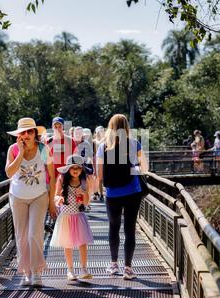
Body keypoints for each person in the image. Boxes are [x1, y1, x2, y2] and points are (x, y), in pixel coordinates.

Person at [5, 117, 57, 287]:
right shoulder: (12, 150)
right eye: (23, 132)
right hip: (18, 197)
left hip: (39, 196)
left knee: (34, 234)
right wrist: (20, 153)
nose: (26, 135)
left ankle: (36, 272)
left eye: (30, 131)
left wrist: (51, 202)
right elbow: (9, 172)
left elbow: (52, 175)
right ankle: (26, 273)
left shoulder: (43, 149)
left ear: (35, 133)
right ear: (18, 135)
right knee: (21, 236)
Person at [96, 114, 148, 280]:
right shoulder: (134, 144)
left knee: (113, 227)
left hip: (112, 193)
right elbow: (144, 168)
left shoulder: (103, 146)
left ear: (110, 126)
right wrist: (131, 170)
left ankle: (113, 265)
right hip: (132, 191)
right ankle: (128, 268)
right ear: (126, 127)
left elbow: (99, 175)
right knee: (130, 228)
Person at [50, 154, 94, 281]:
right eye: (72, 167)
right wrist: (59, 199)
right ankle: (70, 270)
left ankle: (84, 269)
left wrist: (84, 193)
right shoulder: (62, 179)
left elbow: (86, 203)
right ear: (68, 169)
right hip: (66, 217)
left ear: (82, 169)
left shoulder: (84, 181)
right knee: (67, 244)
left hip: (79, 216)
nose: (75, 170)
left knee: (83, 243)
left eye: (78, 168)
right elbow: (56, 195)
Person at [93, 126, 106, 201]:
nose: (101, 132)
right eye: (99, 131)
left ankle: (103, 193)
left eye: (102, 131)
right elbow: (95, 151)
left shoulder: (106, 140)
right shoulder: (94, 141)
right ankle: (100, 194)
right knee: (99, 178)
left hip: (106, 159)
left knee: (105, 177)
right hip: (98, 159)